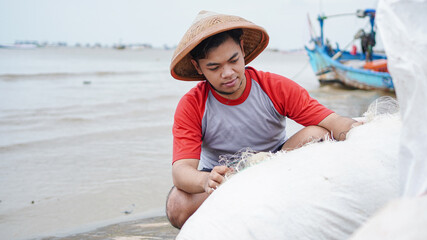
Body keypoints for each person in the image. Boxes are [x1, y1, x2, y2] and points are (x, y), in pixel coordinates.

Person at [166, 10, 361, 229]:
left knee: (319, 134)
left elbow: (332, 121)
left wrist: (363, 131)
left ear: (242, 48)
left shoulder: (273, 87)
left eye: (233, 60)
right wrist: (205, 180)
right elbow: (181, 170)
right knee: (177, 205)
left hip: (274, 163)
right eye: (214, 67)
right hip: (221, 179)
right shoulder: (192, 104)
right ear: (197, 66)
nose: (228, 73)